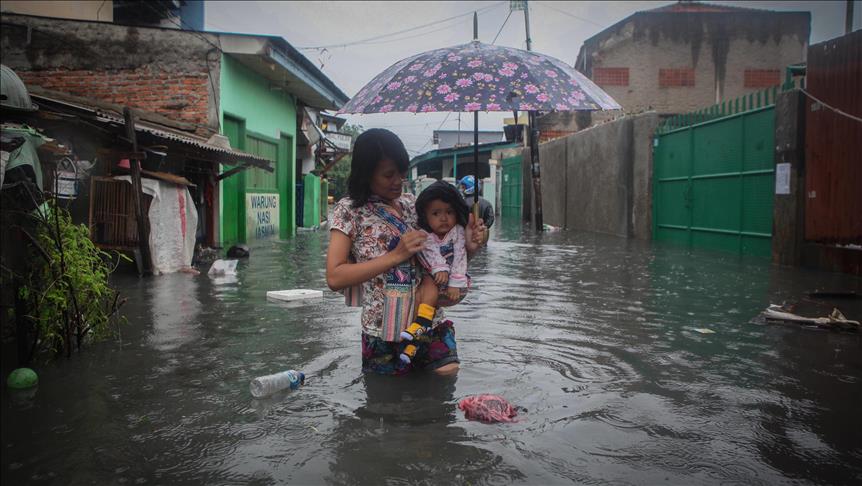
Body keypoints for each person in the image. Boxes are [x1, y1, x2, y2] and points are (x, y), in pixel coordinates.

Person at [326, 129, 487, 376]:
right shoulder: (349, 211)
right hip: (383, 330)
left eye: (401, 172)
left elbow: (443, 258)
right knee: (389, 407)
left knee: (444, 389)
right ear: (366, 174)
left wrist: (471, 248)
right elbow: (335, 277)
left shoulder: (415, 205)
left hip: (429, 321)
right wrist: (395, 255)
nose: (398, 180)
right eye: (388, 174)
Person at [399, 181, 471, 364]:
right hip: (432, 278)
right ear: (425, 216)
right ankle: (415, 340)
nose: (444, 218)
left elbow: (461, 256)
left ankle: (420, 329)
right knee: (426, 291)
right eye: (436, 213)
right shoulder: (424, 234)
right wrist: (439, 269)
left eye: (449, 212)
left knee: (428, 292)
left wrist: (455, 282)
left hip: (456, 281)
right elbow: (430, 254)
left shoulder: (458, 232)